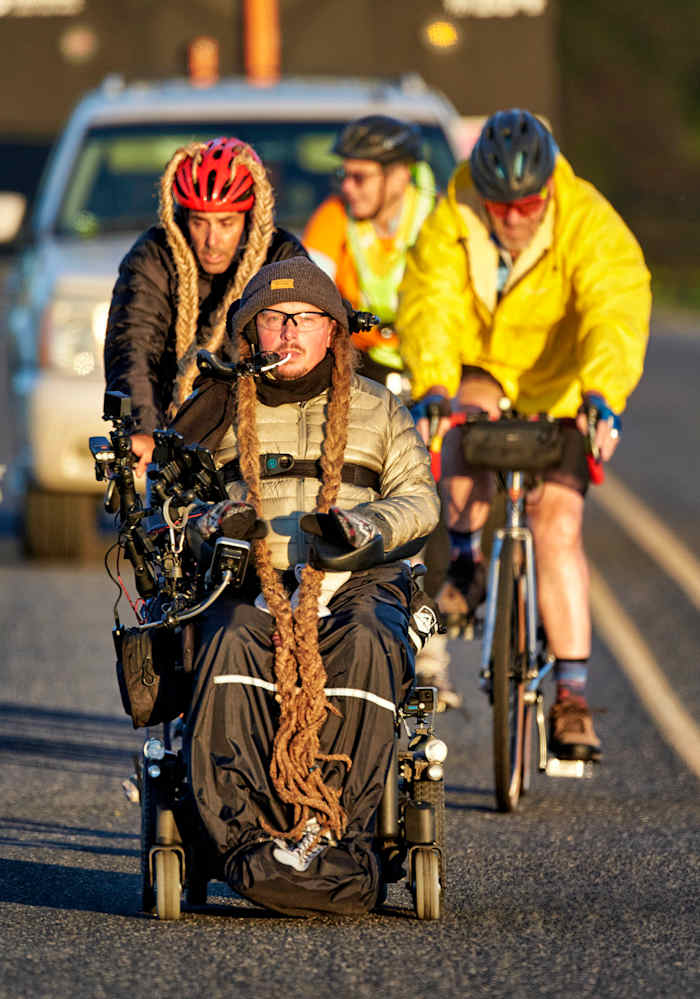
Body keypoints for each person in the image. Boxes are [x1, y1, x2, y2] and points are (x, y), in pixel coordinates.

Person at [169, 256, 440, 916]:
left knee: (371, 634)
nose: (288, 332)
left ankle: (331, 830)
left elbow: (421, 502)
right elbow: (172, 505)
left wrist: (362, 527)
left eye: (305, 319)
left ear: (333, 330)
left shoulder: (379, 409)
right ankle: (250, 835)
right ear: (251, 331)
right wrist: (214, 523)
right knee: (228, 635)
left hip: (351, 577)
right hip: (251, 582)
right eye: (273, 319)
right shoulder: (215, 410)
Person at [396, 108, 652, 760]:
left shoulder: (588, 218)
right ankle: (466, 562)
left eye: (527, 204)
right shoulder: (454, 212)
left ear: (550, 189)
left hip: (565, 382)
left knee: (556, 521)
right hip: (487, 369)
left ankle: (570, 695)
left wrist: (602, 395)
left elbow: (614, 307)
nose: (513, 217)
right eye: (499, 205)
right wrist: (432, 383)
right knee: (455, 429)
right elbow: (431, 302)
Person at [103, 136, 306, 475]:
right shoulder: (154, 256)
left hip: (266, 433)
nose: (212, 241)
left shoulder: (281, 257)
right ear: (181, 217)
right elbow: (133, 346)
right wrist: (145, 429)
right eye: (200, 222)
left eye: (226, 223)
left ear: (250, 217)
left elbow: (303, 347)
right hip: (175, 431)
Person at [303, 115, 435, 388]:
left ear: (400, 178)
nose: (347, 188)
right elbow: (308, 284)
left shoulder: (440, 219)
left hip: (434, 367)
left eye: (359, 177)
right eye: (343, 175)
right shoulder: (334, 215)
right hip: (361, 368)